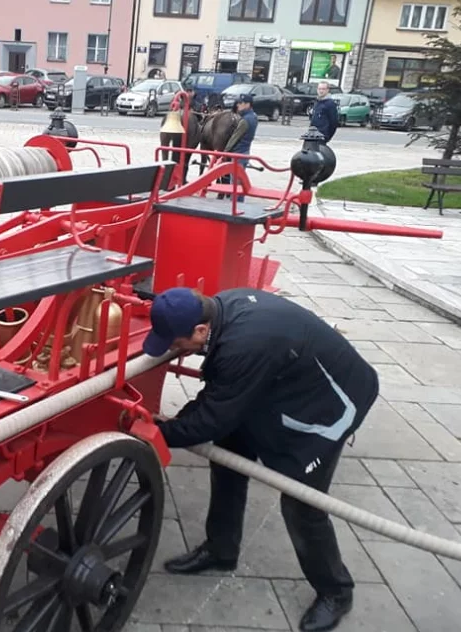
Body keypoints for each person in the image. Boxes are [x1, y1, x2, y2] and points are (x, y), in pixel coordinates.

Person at [144, 287, 379, 632]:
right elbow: (219, 397)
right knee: (227, 455)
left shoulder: (243, 345)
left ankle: (336, 591)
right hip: (279, 381)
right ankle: (221, 550)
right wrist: (172, 423)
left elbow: (212, 417)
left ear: (200, 330)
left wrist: (158, 435)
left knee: (302, 503)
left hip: (331, 401)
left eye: (176, 343)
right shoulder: (223, 310)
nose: (174, 350)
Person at [219, 93, 259, 202]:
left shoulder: (245, 120)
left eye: (240, 103)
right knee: (240, 181)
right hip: (245, 152)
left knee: (235, 183)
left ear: (247, 104)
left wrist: (225, 153)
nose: (238, 105)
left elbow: (234, 138)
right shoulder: (254, 116)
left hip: (238, 154)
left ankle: (235, 205)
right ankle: (239, 203)